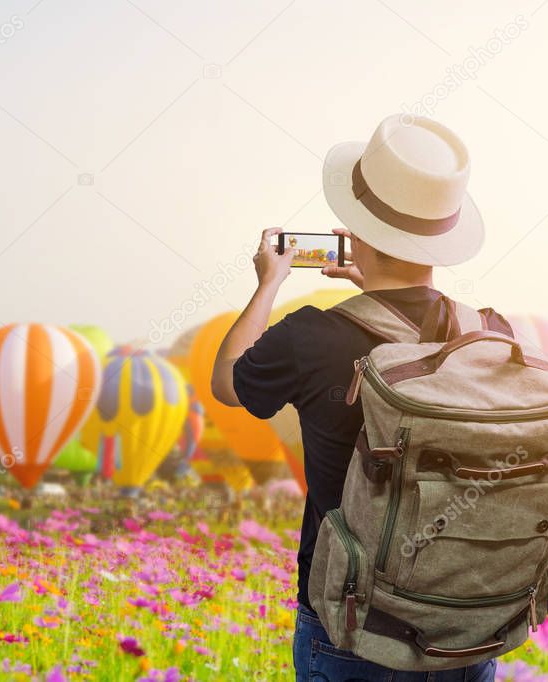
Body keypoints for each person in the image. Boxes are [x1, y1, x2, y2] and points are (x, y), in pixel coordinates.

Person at [211, 114, 503, 681]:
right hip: (465, 631)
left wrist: (269, 283)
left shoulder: (313, 336)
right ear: (441, 237)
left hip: (351, 630)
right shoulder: (490, 332)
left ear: (355, 229)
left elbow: (227, 382)